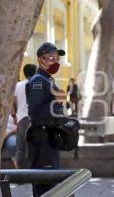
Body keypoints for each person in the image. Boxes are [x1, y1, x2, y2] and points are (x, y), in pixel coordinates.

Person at [26, 42, 67, 196]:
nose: (55, 61)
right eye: (51, 58)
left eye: (57, 58)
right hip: (42, 137)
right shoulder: (38, 81)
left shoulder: (48, 80)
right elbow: (36, 112)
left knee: (52, 181)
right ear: (40, 59)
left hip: (50, 136)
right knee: (44, 182)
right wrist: (57, 100)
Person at [13, 63, 37, 168]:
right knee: (33, 146)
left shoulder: (18, 85)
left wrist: (14, 116)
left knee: (21, 148)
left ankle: (20, 174)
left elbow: (12, 103)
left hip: (22, 118)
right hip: (35, 119)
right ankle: (33, 172)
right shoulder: (37, 85)